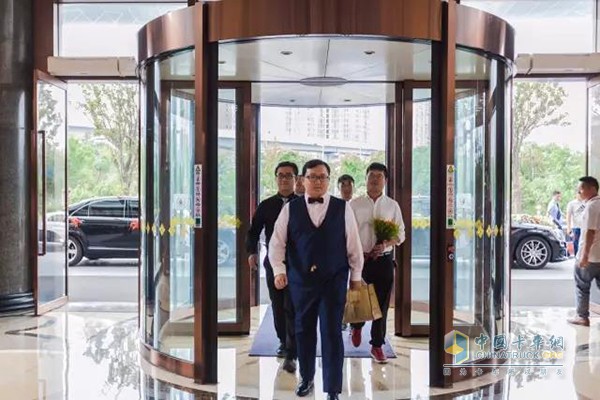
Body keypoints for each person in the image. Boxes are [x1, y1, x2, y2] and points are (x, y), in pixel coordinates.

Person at [269, 159, 364, 400]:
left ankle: (332, 388)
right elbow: (276, 244)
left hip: (334, 281)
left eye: (322, 177)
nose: (318, 182)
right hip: (301, 282)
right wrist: (279, 270)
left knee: (332, 332)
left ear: (329, 180)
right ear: (303, 180)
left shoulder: (343, 208)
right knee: (303, 330)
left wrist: (356, 277)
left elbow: (353, 245)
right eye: (312, 177)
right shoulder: (290, 209)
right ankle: (307, 377)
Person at [349, 162, 405, 363]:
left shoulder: (392, 205)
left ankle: (377, 344)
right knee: (358, 298)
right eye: (371, 175)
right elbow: (348, 232)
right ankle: (356, 327)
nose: (374, 179)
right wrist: (356, 251)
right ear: (365, 179)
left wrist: (385, 244)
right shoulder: (354, 205)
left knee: (381, 304)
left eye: (379, 176)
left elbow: (401, 234)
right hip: (360, 260)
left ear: (385, 181)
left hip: (383, 260)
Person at [246, 161, 299, 373]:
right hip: (273, 262)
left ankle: (293, 345)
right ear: (276, 178)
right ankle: (283, 341)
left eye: (289, 175)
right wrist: (252, 252)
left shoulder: (303, 205)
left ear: (296, 179)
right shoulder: (266, 205)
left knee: (293, 305)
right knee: (278, 304)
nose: (284, 179)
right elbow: (253, 231)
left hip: (297, 264)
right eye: (281, 175)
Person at [567, 176, 600, 327]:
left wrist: (584, 255)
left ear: (592, 188)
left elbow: (589, 232)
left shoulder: (592, 206)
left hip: (591, 257)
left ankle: (582, 317)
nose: (579, 191)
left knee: (582, 286)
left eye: (581, 188)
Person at [566, 192, 585, 257]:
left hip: (585, 227)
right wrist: (568, 227)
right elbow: (568, 216)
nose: (580, 195)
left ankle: (583, 257)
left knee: (584, 243)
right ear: (576, 194)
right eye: (579, 193)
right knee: (576, 242)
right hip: (576, 226)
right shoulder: (572, 204)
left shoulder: (586, 202)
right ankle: (577, 257)